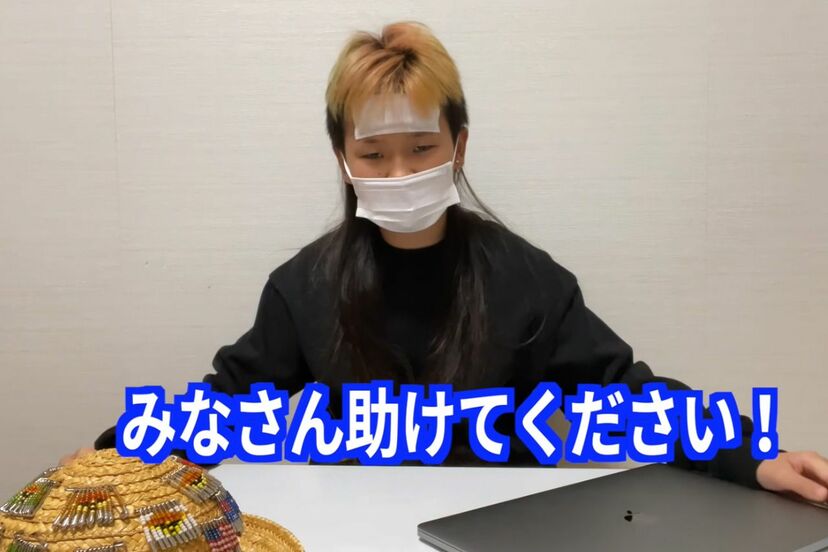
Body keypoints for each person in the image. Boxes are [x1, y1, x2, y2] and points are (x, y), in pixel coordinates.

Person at [63, 21, 828, 503]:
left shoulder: (526, 280)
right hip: (348, 530)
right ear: (342, 157)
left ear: (459, 144)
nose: (399, 174)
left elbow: (626, 393)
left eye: (422, 149)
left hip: (493, 529)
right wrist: (106, 458)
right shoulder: (303, 287)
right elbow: (226, 403)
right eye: (374, 155)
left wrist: (751, 456)